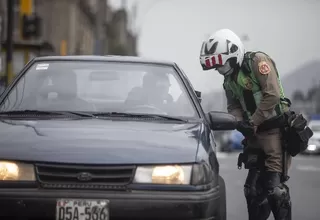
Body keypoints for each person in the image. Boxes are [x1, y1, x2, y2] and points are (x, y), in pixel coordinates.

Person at [199, 29, 292, 220]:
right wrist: (239, 123)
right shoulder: (229, 79)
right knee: (252, 190)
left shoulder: (258, 62)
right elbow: (233, 105)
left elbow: (272, 95)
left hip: (274, 130)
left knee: (274, 189)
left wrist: (253, 121)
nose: (218, 69)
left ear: (233, 55)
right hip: (254, 135)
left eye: (220, 65)